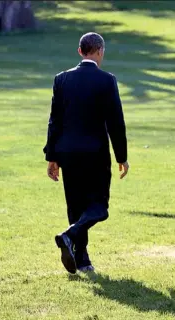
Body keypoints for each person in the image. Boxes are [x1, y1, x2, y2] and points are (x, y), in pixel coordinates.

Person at [43, 32, 129, 274]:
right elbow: (116, 122)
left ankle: (82, 259)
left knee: (76, 207)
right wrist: (121, 157)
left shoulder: (61, 79)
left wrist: (52, 156)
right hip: (95, 154)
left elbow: (54, 122)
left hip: (67, 154)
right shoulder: (107, 80)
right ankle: (69, 236)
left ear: (80, 51)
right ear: (100, 51)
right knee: (99, 207)